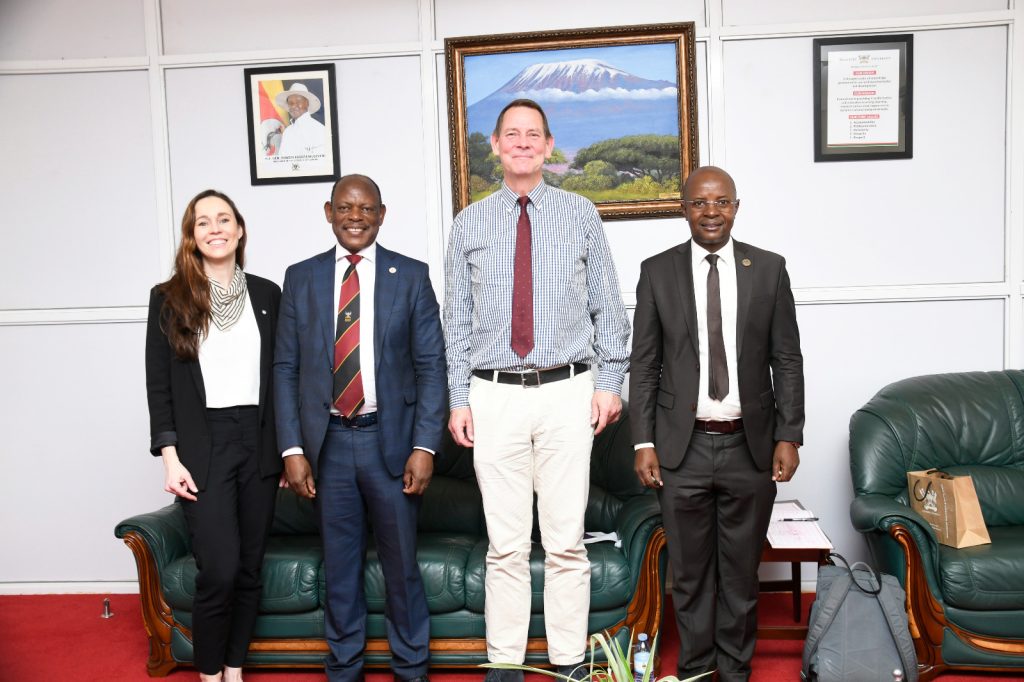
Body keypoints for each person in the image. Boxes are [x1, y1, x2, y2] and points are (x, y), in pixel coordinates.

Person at [444, 99, 631, 681]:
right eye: (511, 134)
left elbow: (609, 304)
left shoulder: (580, 214)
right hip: (493, 394)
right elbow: (458, 319)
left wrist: (609, 383)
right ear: (495, 146)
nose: (522, 143)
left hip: (566, 391)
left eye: (534, 135)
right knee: (504, 544)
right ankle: (505, 663)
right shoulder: (468, 222)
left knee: (566, 542)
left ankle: (569, 662)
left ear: (549, 147)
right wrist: (458, 397)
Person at [629, 166, 805, 682]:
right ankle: (697, 669)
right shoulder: (657, 271)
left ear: (735, 206)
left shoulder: (768, 269)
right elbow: (645, 363)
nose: (711, 211)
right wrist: (643, 440)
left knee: (740, 573)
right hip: (680, 449)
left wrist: (789, 434)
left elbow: (786, 359)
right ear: (684, 208)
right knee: (688, 575)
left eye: (721, 202)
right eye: (700, 202)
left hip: (748, 448)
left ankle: (734, 671)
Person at [274, 174, 446, 682]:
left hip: (389, 443)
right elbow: (284, 368)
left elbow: (432, 366)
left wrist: (425, 446)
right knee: (341, 569)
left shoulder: (409, 275)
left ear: (382, 214)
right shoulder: (300, 278)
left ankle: (411, 669)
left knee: (401, 568)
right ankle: (344, 669)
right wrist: (291, 446)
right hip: (326, 445)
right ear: (328, 213)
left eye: (366, 208)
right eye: (346, 208)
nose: (356, 217)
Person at [145, 189, 282, 682]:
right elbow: (158, 384)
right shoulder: (169, 297)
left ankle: (234, 669)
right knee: (219, 570)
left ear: (240, 229)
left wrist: (288, 450)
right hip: (203, 446)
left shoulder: (267, 294)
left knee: (248, 571)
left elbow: (282, 375)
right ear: (192, 236)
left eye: (224, 219)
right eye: (203, 222)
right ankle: (208, 675)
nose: (215, 228)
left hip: (259, 442)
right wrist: (170, 457)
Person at [274, 82, 326, 158]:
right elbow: (282, 160)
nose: (294, 106)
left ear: (307, 103)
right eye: (291, 103)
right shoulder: (287, 132)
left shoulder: (320, 130)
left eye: (298, 102)